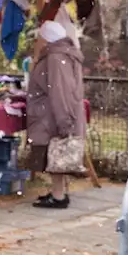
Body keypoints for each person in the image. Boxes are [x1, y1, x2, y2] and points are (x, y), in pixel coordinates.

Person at [27, 20, 86, 209]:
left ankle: (59, 196)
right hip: (53, 113)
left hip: (52, 115)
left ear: (45, 38)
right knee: (57, 155)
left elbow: (60, 91)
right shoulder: (62, 55)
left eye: (39, 37)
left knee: (56, 153)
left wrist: (64, 122)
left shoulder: (55, 58)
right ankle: (58, 192)